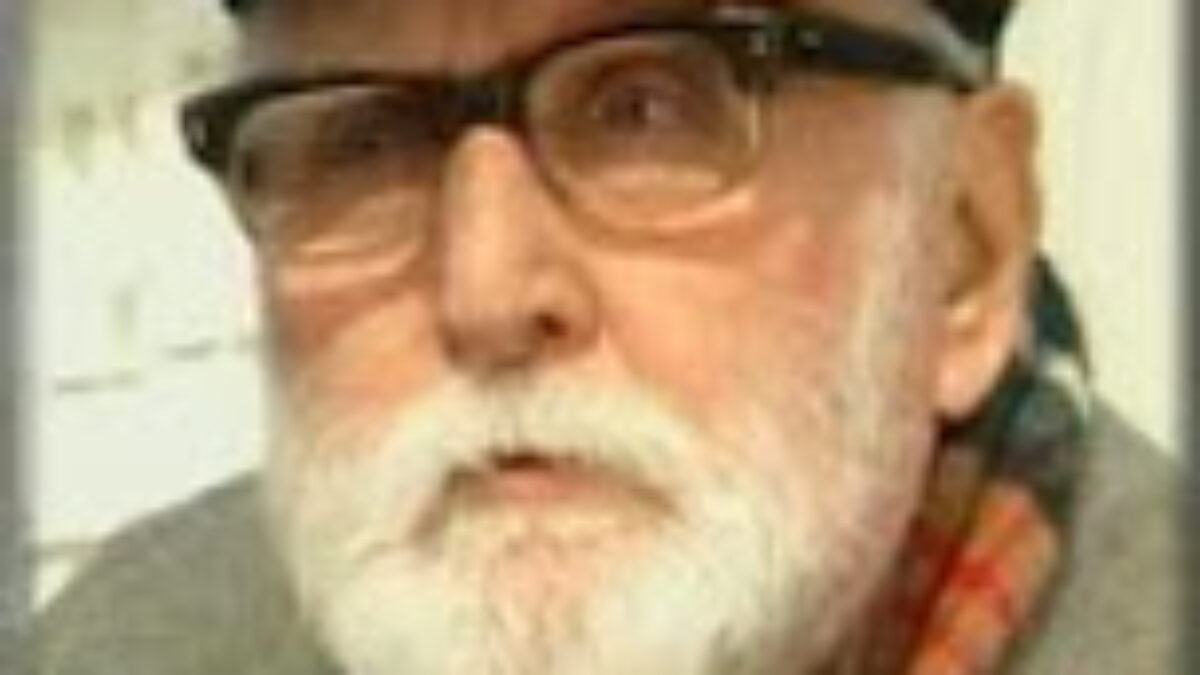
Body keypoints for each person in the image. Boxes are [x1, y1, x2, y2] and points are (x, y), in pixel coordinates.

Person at [33, 0, 1182, 673]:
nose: (487, 292)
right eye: (362, 144)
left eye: (648, 108)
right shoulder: (118, 648)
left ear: (961, 248)